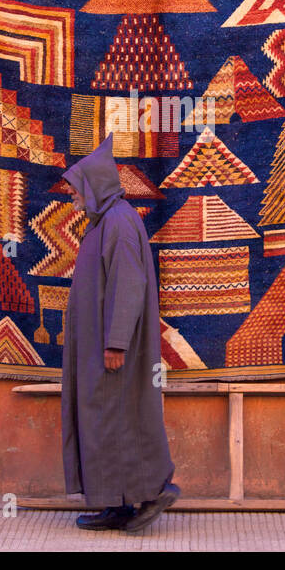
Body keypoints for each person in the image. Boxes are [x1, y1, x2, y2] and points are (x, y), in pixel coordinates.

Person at [59, 133, 179, 532]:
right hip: (100, 345)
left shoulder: (119, 223)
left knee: (116, 418)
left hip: (111, 347)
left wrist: (115, 342)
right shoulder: (106, 221)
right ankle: (117, 504)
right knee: (110, 420)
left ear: (96, 186)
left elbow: (129, 284)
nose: (73, 196)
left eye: (77, 188)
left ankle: (155, 490)